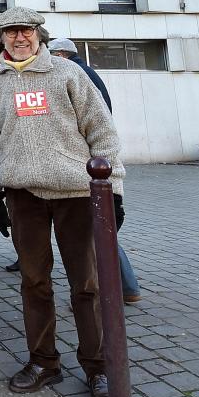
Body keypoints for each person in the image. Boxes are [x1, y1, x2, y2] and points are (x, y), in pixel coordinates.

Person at [0, 7, 123, 397]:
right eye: (10, 33)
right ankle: (44, 361)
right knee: (34, 282)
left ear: (39, 35)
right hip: (22, 195)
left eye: (25, 31)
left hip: (76, 193)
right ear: (1, 40)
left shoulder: (67, 74)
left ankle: (97, 367)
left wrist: (115, 190)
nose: (18, 38)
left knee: (87, 284)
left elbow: (102, 130)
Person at [48, 37, 139, 304]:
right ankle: (126, 289)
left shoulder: (76, 74)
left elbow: (96, 121)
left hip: (85, 165)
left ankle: (120, 290)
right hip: (89, 162)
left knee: (95, 234)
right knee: (98, 232)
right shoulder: (85, 71)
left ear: (62, 55)